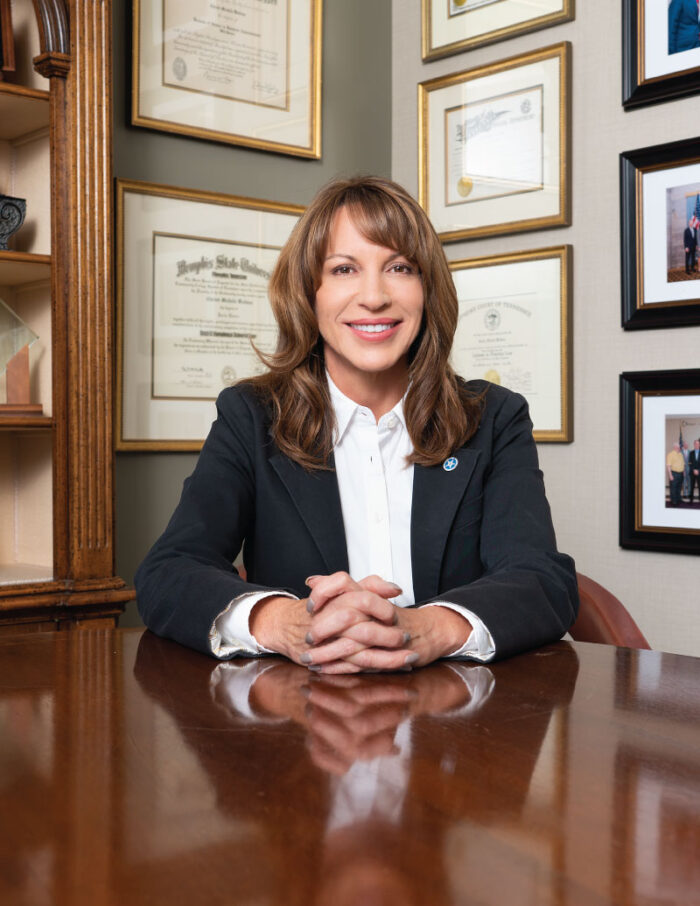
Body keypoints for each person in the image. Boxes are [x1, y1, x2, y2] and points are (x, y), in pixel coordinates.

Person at [135, 176, 578, 673]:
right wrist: (283, 621)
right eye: (344, 269)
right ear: (310, 292)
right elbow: (168, 572)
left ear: (427, 290)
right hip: (298, 725)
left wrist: (425, 627)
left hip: (459, 726)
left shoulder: (494, 417)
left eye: (400, 268)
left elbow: (542, 580)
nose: (374, 296)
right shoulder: (252, 415)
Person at [689, 439, 700, 504]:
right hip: (692, 473)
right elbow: (690, 463)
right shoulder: (691, 453)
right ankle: (691, 500)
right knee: (691, 487)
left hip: (699, 473)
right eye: (695, 443)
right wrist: (693, 470)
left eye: (698, 444)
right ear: (694, 444)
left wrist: (698, 470)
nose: (696, 445)